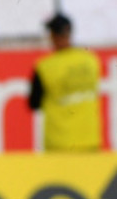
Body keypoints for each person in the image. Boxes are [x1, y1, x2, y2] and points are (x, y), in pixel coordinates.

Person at [28, 13, 102, 152]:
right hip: (90, 139)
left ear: (52, 36)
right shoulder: (91, 60)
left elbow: (34, 103)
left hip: (59, 142)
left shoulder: (45, 67)